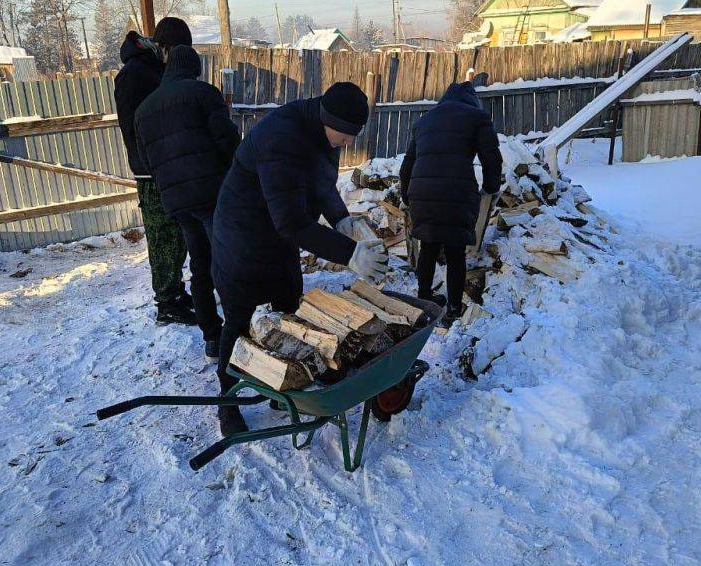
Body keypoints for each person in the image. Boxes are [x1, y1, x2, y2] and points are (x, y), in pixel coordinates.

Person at [210, 82, 387, 436]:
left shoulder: (325, 132)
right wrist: (349, 254)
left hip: (279, 234)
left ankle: (282, 384)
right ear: (327, 119)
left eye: (355, 135)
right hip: (242, 235)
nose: (349, 143)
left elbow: (321, 185)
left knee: (290, 308)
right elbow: (292, 222)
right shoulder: (282, 139)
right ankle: (227, 403)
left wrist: (341, 218)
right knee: (239, 320)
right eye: (346, 134)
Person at [134, 43, 240, 360]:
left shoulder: (144, 110)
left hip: (178, 201)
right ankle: (239, 335)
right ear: (195, 68)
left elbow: (146, 161)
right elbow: (229, 142)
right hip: (212, 194)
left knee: (200, 266)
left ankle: (212, 335)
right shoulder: (204, 94)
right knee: (227, 263)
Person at [399, 81, 502, 327]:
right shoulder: (477, 117)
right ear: (471, 100)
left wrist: (407, 195)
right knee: (455, 252)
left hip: (422, 191)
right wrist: (491, 187)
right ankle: (454, 308)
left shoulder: (424, 120)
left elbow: (408, 163)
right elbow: (491, 158)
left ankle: (424, 298)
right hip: (457, 191)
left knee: (428, 246)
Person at [114, 17, 196, 326]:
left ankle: (175, 290)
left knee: (176, 234)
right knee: (162, 236)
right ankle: (166, 303)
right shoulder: (133, 75)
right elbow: (135, 128)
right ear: (163, 47)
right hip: (152, 171)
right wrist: (151, 165)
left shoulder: (154, 70)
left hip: (169, 165)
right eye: (175, 51)